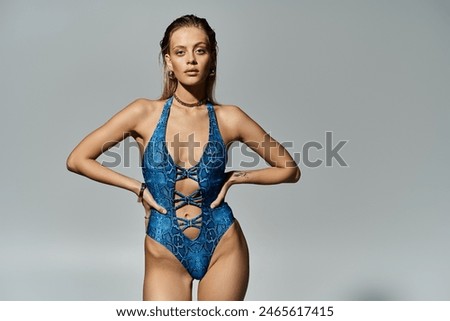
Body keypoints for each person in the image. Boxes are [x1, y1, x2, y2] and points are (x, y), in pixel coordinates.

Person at [66, 14, 300, 301]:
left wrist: (238, 177)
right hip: (164, 246)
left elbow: (289, 169)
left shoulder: (230, 118)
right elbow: (78, 159)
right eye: (180, 52)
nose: (191, 59)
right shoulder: (144, 113)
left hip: (223, 243)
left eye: (200, 50)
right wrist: (138, 188)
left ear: (212, 58)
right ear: (168, 61)